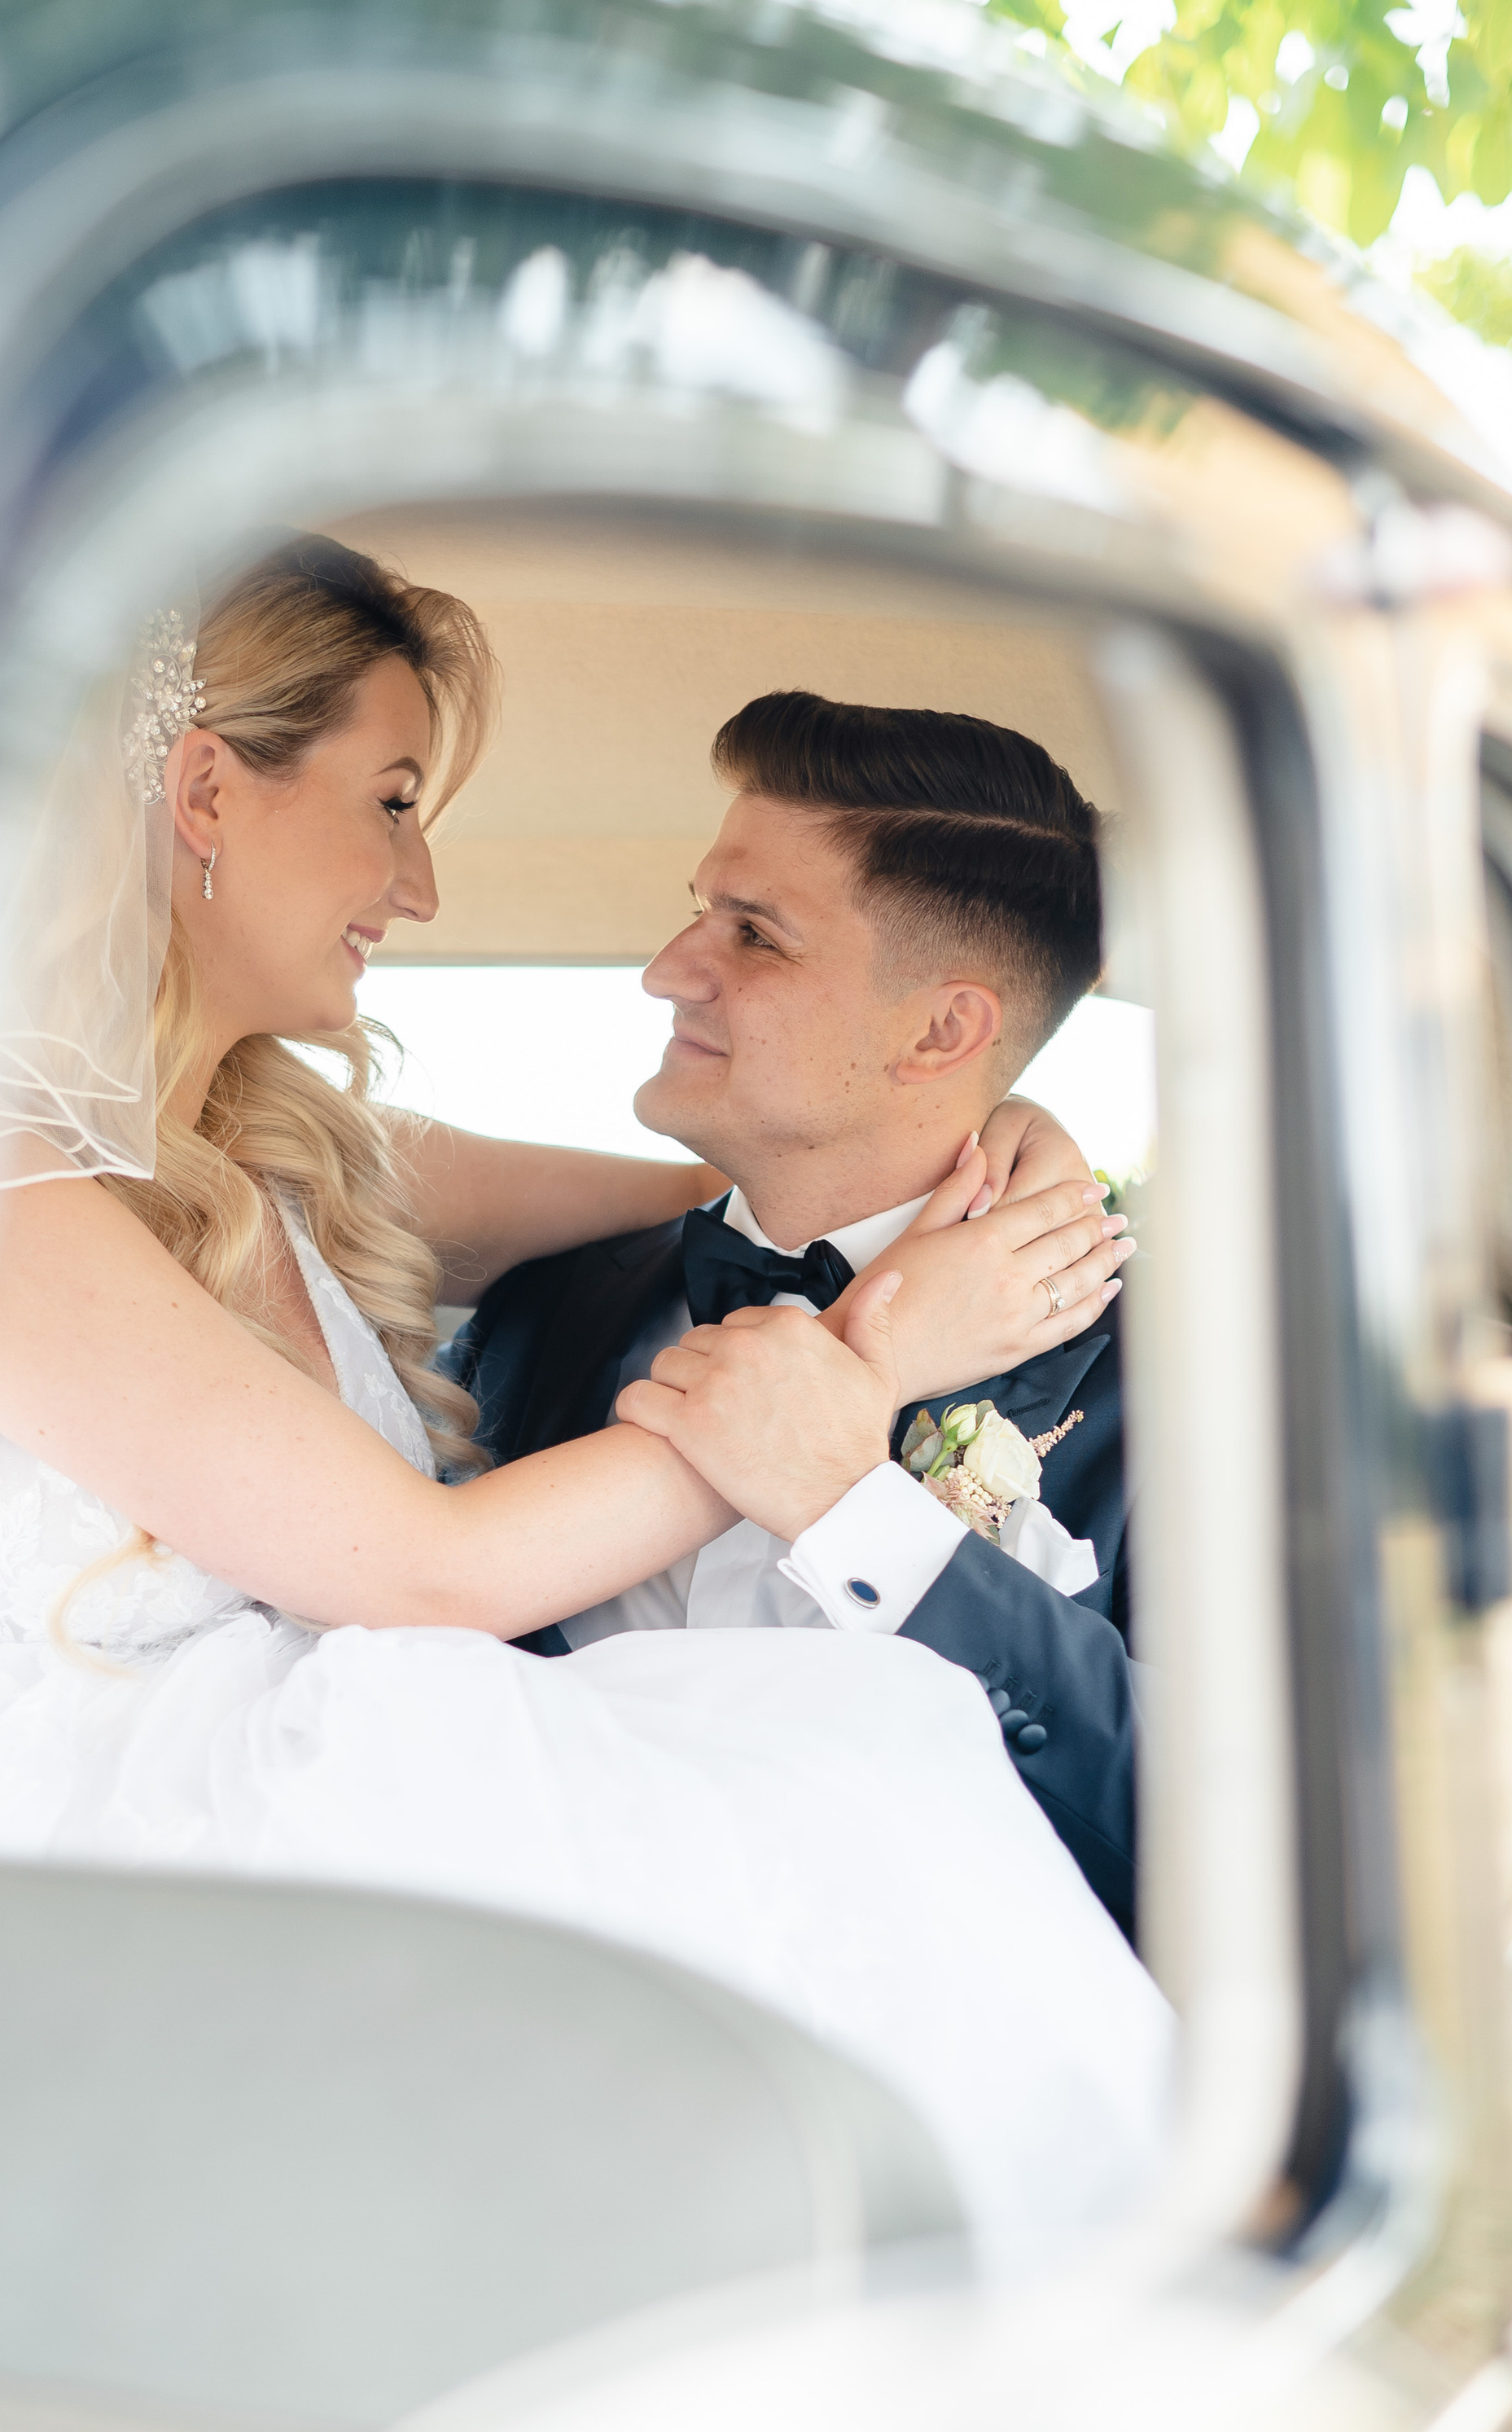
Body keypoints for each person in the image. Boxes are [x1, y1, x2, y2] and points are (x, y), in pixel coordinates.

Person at [0, 533, 1170, 2257]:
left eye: (745, 930)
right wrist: (871, 1368)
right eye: (390, 798)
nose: (423, 880)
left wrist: (995, 1151)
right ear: (206, 794)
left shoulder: (299, 1160)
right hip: (63, 1953)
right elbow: (427, 1573)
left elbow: (723, 1200)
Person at [451, 690, 1139, 1934]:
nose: (669, 970)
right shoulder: (549, 1306)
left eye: (754, 934)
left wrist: (855, 1509)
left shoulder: (1197, 1382)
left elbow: (1227, 1846)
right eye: (699, 912)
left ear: (942, 1030)